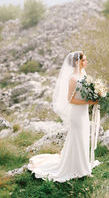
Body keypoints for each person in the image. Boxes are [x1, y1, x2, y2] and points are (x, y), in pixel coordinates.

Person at [27, 51, 101, 182]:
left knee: (83, 137)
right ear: (78, 62)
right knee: (77, 138)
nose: (87, 62)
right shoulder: (73, 78)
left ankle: (81, 166)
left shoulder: (83, 75)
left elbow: (85, 93)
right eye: (85, 60)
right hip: (77, 114)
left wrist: (97, 94)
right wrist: (90, 102)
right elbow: (70, 100)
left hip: (83, 112)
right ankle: (78, 168)